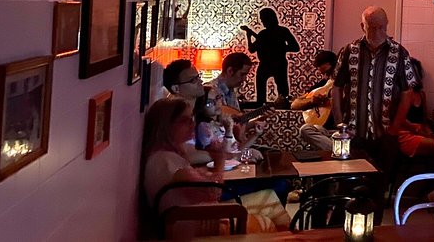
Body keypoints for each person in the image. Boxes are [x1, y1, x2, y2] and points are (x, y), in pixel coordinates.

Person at [140, 98, 289, 235]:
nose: (193, 124)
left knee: (270, 196)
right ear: (167, 126)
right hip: (200, 225)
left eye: (193, 118)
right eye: (186, 120)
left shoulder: (161, 155)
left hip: (194, 217)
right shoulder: (167, 161)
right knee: (270, 218)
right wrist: (220, 160)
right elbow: (215, 193)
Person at [332, 6, 420, 165]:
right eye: (372, 27)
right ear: (362, 26)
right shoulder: (349, 51)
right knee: (352, 178)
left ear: (386, 24)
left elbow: (407, 92)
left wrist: (395, 128)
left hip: (385, 132)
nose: (377, 31)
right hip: (353, 130)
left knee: (382, 180)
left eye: (381, 27)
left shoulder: (399, 53)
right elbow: (336, 86)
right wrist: (339, 122)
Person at [241, 8, 301, 106]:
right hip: (264, 64)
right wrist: (249, 34)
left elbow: (295, 47)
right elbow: (252, 49)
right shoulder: (263, 34)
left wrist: (280, 47)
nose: (262, 22)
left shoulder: (283, 31)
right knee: (260, 96)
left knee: (283, 94)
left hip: (279, 64)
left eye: (264, 19)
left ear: (270, 19)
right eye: (262, 20)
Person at [194, 86, 265, 159]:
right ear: (201, 107)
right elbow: (225, 155)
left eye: (217, 98)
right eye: (209, 103)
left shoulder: (221, 122)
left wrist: (256, 134)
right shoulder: (204, 127)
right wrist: (228, 131)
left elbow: (237, 149)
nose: (216, 103)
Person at [293, 50, 339, 151]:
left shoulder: (345, 84)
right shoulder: (323, 84)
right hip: (325, 130)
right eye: (324, 73)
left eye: (328, 72)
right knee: (305, 129)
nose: (327, 76)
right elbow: (295, 104)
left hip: (340, 130)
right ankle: (337, 149)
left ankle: (337, 149)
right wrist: (313, 101)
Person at [396, 58, 434, 158]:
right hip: (404, 134)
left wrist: (430, 133)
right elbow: (398, 119)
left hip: (420, 131)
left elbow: (424, 119)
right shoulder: (399, 93)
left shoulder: (421, 94)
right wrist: (417, 129)